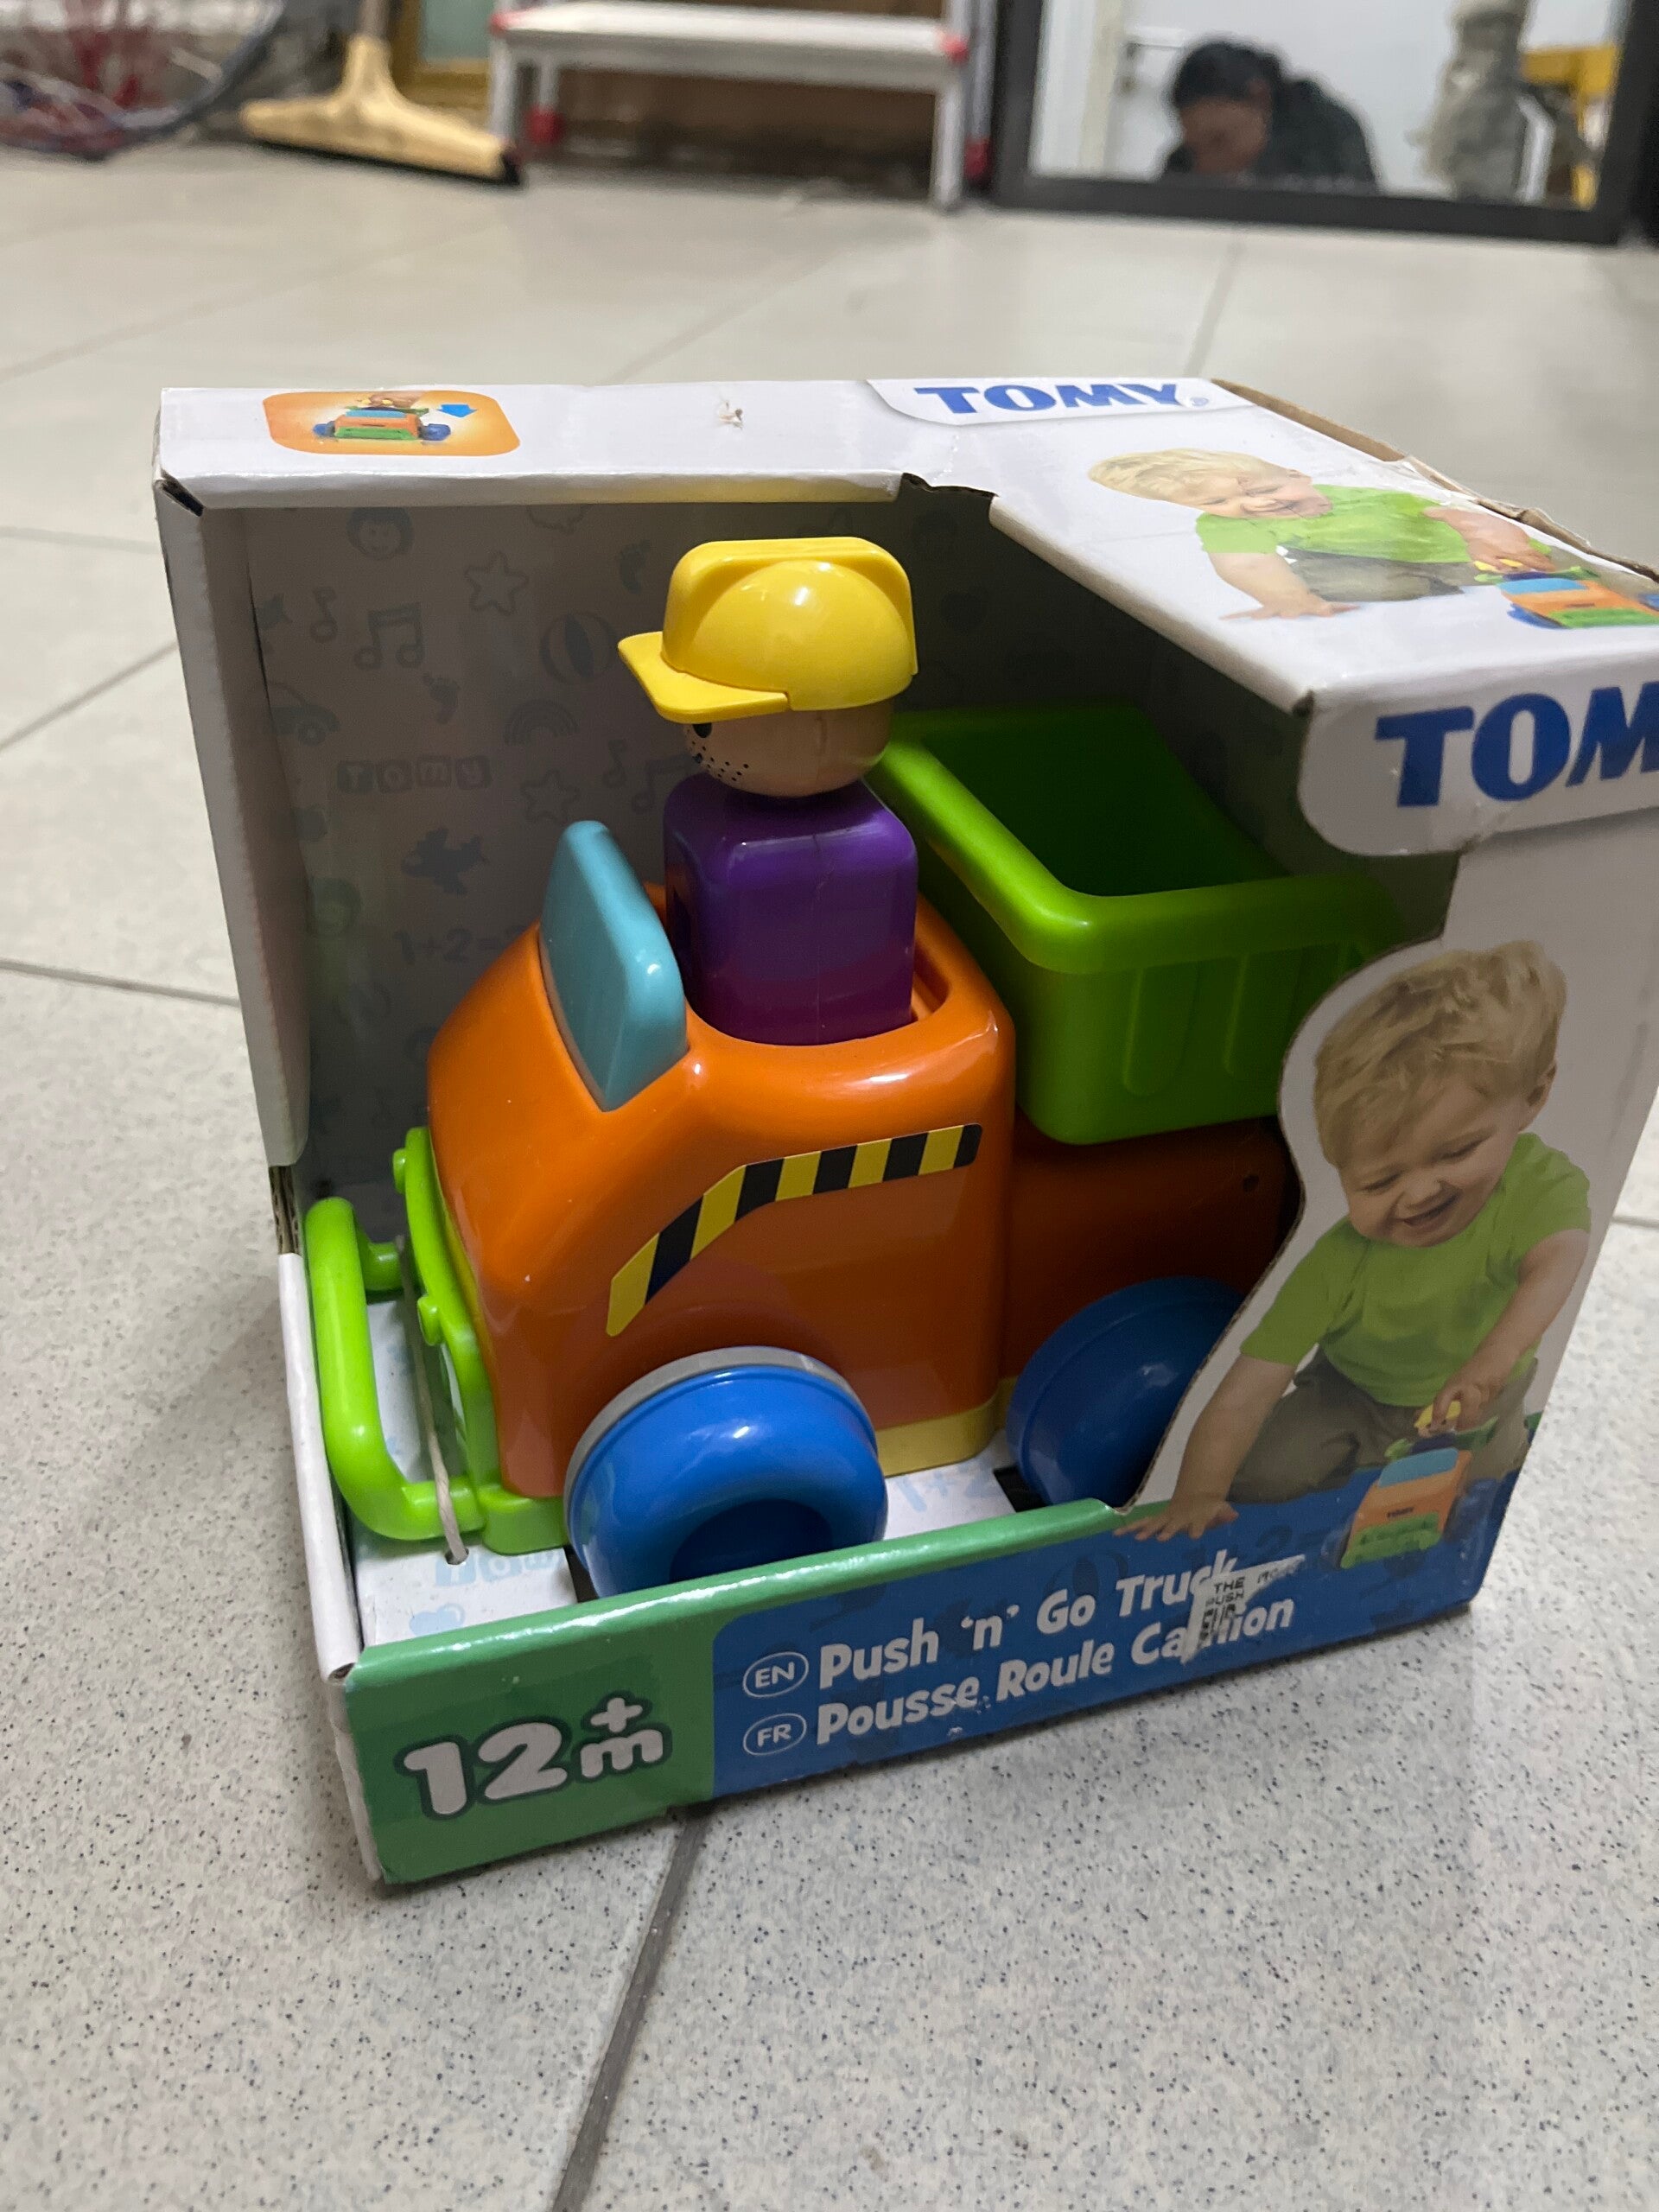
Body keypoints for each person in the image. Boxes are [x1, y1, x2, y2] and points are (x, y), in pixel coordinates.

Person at [1140, 943, 1591, 1541]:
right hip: (1349, 1390)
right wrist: (1198, 1495)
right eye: (1379, 1181)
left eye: (1457, 1152)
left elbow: (1558, 1258)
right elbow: (1245, 1393)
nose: (1419, 1193)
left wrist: (1491, 1363)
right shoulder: (1339, 1262)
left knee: (1483, 1487)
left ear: (1532, 1097)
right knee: (1263, 1476)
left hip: (1487, 1393)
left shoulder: (1537, 1184)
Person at [1089, 448, 1573, 617]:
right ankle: (1418, 590)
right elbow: (1245, 562)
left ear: (1298, 475)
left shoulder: (1367, 496)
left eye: (1266, 489)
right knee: (1309, 576)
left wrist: (1490, 538)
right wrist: (1287, 598)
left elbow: (1464, 516)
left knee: (1509, 569)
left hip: (1459, 551)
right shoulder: (1225, 525)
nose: (1256, 504)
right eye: (1217, 502)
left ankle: (1521, 580)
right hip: (1373, 564)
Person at [1162, 40, 1377, 189]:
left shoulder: (1327, 134)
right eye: (1194, 149)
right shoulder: (1186, 163)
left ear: (1260, 98)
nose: (1206, 166)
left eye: (1219, 141)